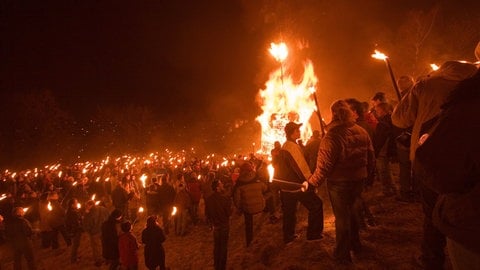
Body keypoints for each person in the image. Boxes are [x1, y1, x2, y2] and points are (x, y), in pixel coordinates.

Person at [392, 60, 477, 269]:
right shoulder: (473, 84)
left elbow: (400, 119)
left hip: (433, 157)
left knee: (433, 212)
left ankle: (432, 258)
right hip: (469, 161)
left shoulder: (427, 85)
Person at [416, 68, 480, 270]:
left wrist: (428, 141)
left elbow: (440, 170)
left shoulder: (468, 105)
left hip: (471, 223)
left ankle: (431, 258)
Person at [308, 100, 375, 266]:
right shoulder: (360, 130)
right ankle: (356, 244)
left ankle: (342, 255)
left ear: (334, 114)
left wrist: (312, 183)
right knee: (353, 212)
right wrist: (368, 175)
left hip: (339, 183)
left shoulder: (332, 136)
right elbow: (370, 156)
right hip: (358, 179)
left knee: (342, 217)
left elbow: (324, 166)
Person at [274, 121, 324, 244]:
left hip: (286, 187)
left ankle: (288, 237)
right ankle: (313, 234)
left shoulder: (285, 146)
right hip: (296, 186)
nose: (299, 131)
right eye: (297, 130)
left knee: (289, 213)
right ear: (292, 133)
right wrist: (310, 182)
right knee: (316, 205)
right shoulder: (291, 147)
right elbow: (300, 167)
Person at [232, 161, 267, 247]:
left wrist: (239, 208)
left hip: (248, 208)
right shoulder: (257, 177)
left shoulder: (239, 183)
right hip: (260, 206)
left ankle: (249, 242)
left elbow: (237, 199)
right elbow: (265, 188)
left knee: (248, 224)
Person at [395, 75, 417, 202]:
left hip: (412, 133)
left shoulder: (414, 96)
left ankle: (411, 192)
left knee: (412, 164)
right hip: (404, 135)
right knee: (407, 165)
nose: (400, 86)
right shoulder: (405, 98)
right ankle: (408, 191)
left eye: (401, 83)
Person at [205, 180, 232, 270]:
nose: (222, 185)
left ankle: (216, 265)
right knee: (223, 247)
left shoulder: (209, 199)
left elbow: (207, 213)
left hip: (215, 226)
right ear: (217, 188)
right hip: (224, 225)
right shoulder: (224, 199)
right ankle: (222, 267)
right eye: (221, 184)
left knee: (216, 246)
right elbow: (229, 213)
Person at [372, 102, 398, 196]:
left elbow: (380, 139)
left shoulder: (382, 123)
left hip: (383, 150)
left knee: (383, 171)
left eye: (377, 110)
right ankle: (393, 188)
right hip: (388, 149)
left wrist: (376, 150)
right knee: (387, 170)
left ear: (383, 111)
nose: (376, 112)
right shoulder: (391, 119)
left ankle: (386, 190)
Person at [83, 200, 110, 267]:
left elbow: (86, 225)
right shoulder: (103, 208)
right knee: (105, 244)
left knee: (96, 247)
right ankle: (107, 257)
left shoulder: (89, 214)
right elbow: (108, 216)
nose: (86, 207)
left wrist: (86, 214)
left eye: (87, 206)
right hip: (104, 230)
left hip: (95, 233)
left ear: (90, 205)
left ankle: (98, 260)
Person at [65, 198, 83, 263]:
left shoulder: (73, 211)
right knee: (75, 245)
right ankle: (73, 259)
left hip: (75, 231)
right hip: (75, 232)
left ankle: (75, 256)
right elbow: (75, 223)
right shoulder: (72, 213)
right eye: (76, 202)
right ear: (72, 205)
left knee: (76, 245)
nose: (77, 203)